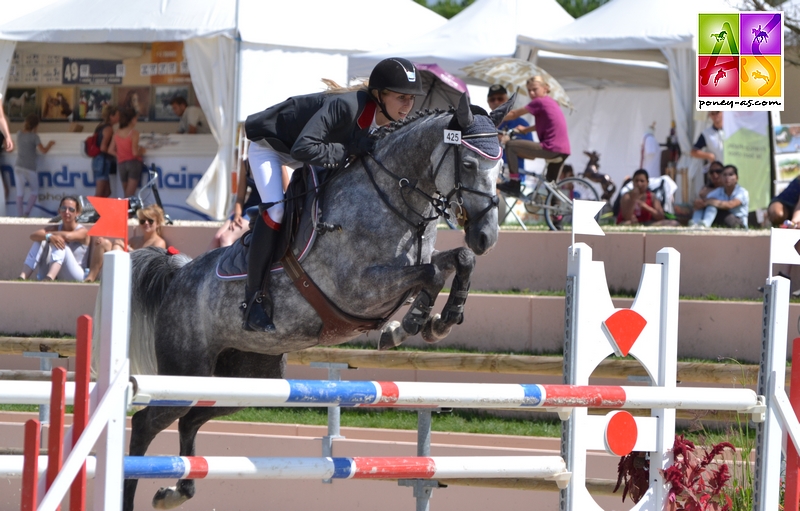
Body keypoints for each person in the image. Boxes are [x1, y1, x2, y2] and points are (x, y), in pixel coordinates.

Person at [240, 57, 423, 332]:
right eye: (401, 98)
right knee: (277, 210)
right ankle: (253, 301)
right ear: (379, 95)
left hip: (307, 151)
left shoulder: (386, 121)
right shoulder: (346, 106)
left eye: (411, 98)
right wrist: (348, 149)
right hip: (272, 147)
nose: (407, 106)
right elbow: (303, 148)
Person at [498, 76, 571, 196]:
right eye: (529, 90)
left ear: (545, 88)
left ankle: (514, 183)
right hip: (563, 149)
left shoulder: (539, 102)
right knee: (551, 187)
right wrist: (526, 130)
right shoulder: (551, 102)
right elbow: (546, 123)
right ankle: (556, 211)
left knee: (511, 145)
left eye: (535, 89)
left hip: (551, 148)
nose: (531, 93)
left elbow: (514, 114)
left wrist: (492, 117)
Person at [84, 204, 168, 282]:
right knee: (104, 243)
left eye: (150, 221)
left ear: (158, 224)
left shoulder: (159, 242)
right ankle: (90, 278)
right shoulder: (134, 240)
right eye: (142, 221)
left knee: (117, 246)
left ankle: (113, 279)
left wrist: (127, 248)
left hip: (140, 276)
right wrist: (102, 242)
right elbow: (121, 250)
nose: (146, 223)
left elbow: (148, 263)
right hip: (127, 270)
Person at [19, 196, 90, 281]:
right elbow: (33, 236)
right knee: (40, 241)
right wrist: (49, 236)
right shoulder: (56, 228)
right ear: (59, 211)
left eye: (71, 209)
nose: (67, 212)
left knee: (59, 242)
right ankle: (22, 276)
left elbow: (68, 237)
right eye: (63, 209)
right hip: (58, 272)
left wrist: (50, 236)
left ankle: (49, 278)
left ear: (77, 213)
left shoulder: (83, 231)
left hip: (76, 274)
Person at [208, 158, 263, 250]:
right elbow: (240, 198)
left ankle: (227, 264)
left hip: (259, 209)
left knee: (226, 237)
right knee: (217, 237)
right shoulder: (246, 164)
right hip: (246, 208)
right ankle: (200, 264)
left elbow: (286, 191)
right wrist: (237, 215)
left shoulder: (276, 161)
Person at [14, 114, 55, 217]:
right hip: (30, 167)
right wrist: (50, 144)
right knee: (34, 192)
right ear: (36, 125)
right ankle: (26, 213)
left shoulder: (19, 134)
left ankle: (19, 216)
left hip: (18, 166)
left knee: (19, 194)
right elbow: (43, 151)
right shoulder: (34, 137)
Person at [488, 84, 532, 176]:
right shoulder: (484, 123)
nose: (496, 102)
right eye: (492, 99)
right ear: (488, 101)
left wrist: (510, 143)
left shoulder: (521, 123)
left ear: (507, 100)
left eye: (500, 98)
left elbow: (531, 155)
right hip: (489, 174)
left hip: (511, 177)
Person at [689, 164, 749, 229]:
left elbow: (730, 205)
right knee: (705, 205)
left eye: (730, 175)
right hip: (724, 219)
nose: (727, 177)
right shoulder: (719, 190)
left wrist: (709, 202)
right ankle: (695, 223)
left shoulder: (742, 192)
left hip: (738, 222)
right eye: (724, 175)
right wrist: (700, 203)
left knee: (712, 204)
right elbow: (706, 200)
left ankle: (705, 224)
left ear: (737, 178)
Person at [108, 107, 146, 198]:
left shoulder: (116, 133)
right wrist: (142, 151)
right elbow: (135, 152)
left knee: (127, 193)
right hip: (133, 164)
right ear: (133, 119)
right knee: (129, 195)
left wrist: (120, 155)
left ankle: (127, 211)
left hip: (121, 165)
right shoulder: (134, 133)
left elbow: (110, 150)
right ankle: (127, 212)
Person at [92, 105, 119, 198]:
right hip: (102, 161)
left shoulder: (101, 125)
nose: (119, 118)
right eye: (117, 115)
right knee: (100, 193)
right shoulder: (108, 128)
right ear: (111, 116)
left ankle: (101, 212)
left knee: (107, 192)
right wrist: (116, 153)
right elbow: (103, 147)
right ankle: (93, 212)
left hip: (99, 160)